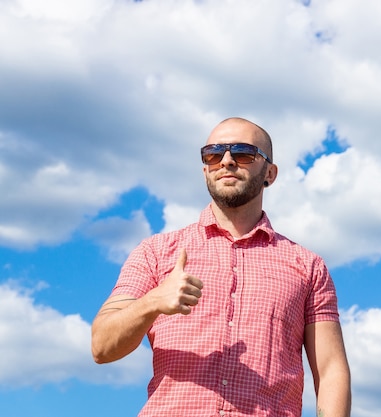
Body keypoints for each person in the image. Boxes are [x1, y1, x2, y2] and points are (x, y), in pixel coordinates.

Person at [91, 117, 351, 417]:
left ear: (270, 172)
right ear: (205, 170)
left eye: (243, 153)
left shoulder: (308, 267)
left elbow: (331, 370)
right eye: (213, 154)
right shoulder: (156, 252)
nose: (226, 161)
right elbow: (101, 346)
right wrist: (153, 302)